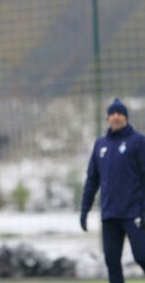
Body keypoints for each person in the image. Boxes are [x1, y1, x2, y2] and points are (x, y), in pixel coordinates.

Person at [80, 98, 145, 283]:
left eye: (120, 113)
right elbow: (92, 180)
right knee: (112, 263)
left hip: (134, 213)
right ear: (107, 118)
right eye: (112, 114)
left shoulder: (138, 142)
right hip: (110, 215)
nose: (116, 117)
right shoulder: (100, 145)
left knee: (142, 256)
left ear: (126, 117)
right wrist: (84, 210)